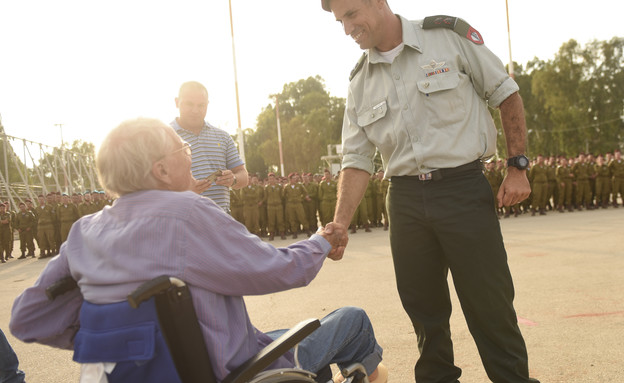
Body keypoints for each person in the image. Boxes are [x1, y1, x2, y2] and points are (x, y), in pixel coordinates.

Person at [9, 117, 385, 383]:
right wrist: (320, 241)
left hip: (145, 373)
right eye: (183, 148)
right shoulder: (185, 213)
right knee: (353, 321)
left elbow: (28, 317)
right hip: (231, 368)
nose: (191, 154)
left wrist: (116, 341)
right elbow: (281, 269)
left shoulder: (84, 232)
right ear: (161, 170)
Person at [321, 1, 538, 382]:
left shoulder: (448, 37)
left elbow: (506, 93)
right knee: (425, 314)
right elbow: (357, 158)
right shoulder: (360, 81)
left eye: (352, 14)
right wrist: (340, 223)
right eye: (340, 21)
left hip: (462, 189)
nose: (346, 28)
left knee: (490, 306)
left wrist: (517, 166)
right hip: (404, 200)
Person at [172, 81, 248, 212]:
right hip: (182, 224)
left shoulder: (223, 137)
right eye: (189, 104)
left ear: (207, 104)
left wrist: (233, 179)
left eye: (201, 105)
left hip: (221, 223)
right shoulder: (162, 139)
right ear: (177, 102)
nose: (195, 110)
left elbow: (243, 175)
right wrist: (184, 191)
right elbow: (149, 188)